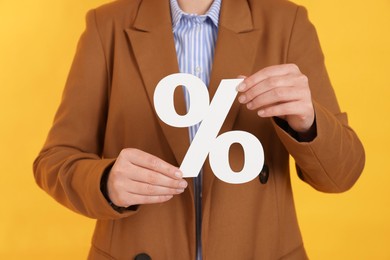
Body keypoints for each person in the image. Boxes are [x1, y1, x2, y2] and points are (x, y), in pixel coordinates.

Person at [33, 0, 365, 259]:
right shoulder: (106, 26)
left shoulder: (287, 23)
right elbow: (55, 160)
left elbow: (341, 175)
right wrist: (105, 182)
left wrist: (308, 122)